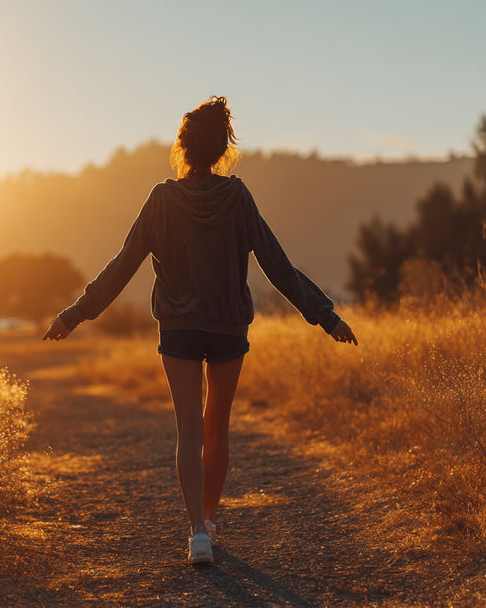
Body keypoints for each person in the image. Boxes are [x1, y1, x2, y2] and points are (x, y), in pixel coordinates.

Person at [42, 96, 358, 566]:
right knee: (216, 427)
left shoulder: (161, 200)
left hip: (180, 329)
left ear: (183, 147)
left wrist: (74, 314)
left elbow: (122, 265)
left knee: (188, 429)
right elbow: (278, 265)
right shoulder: (238, 198)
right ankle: (209, 519)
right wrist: (326, 315)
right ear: (222, 150)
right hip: (228, 328)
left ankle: (196, 535)